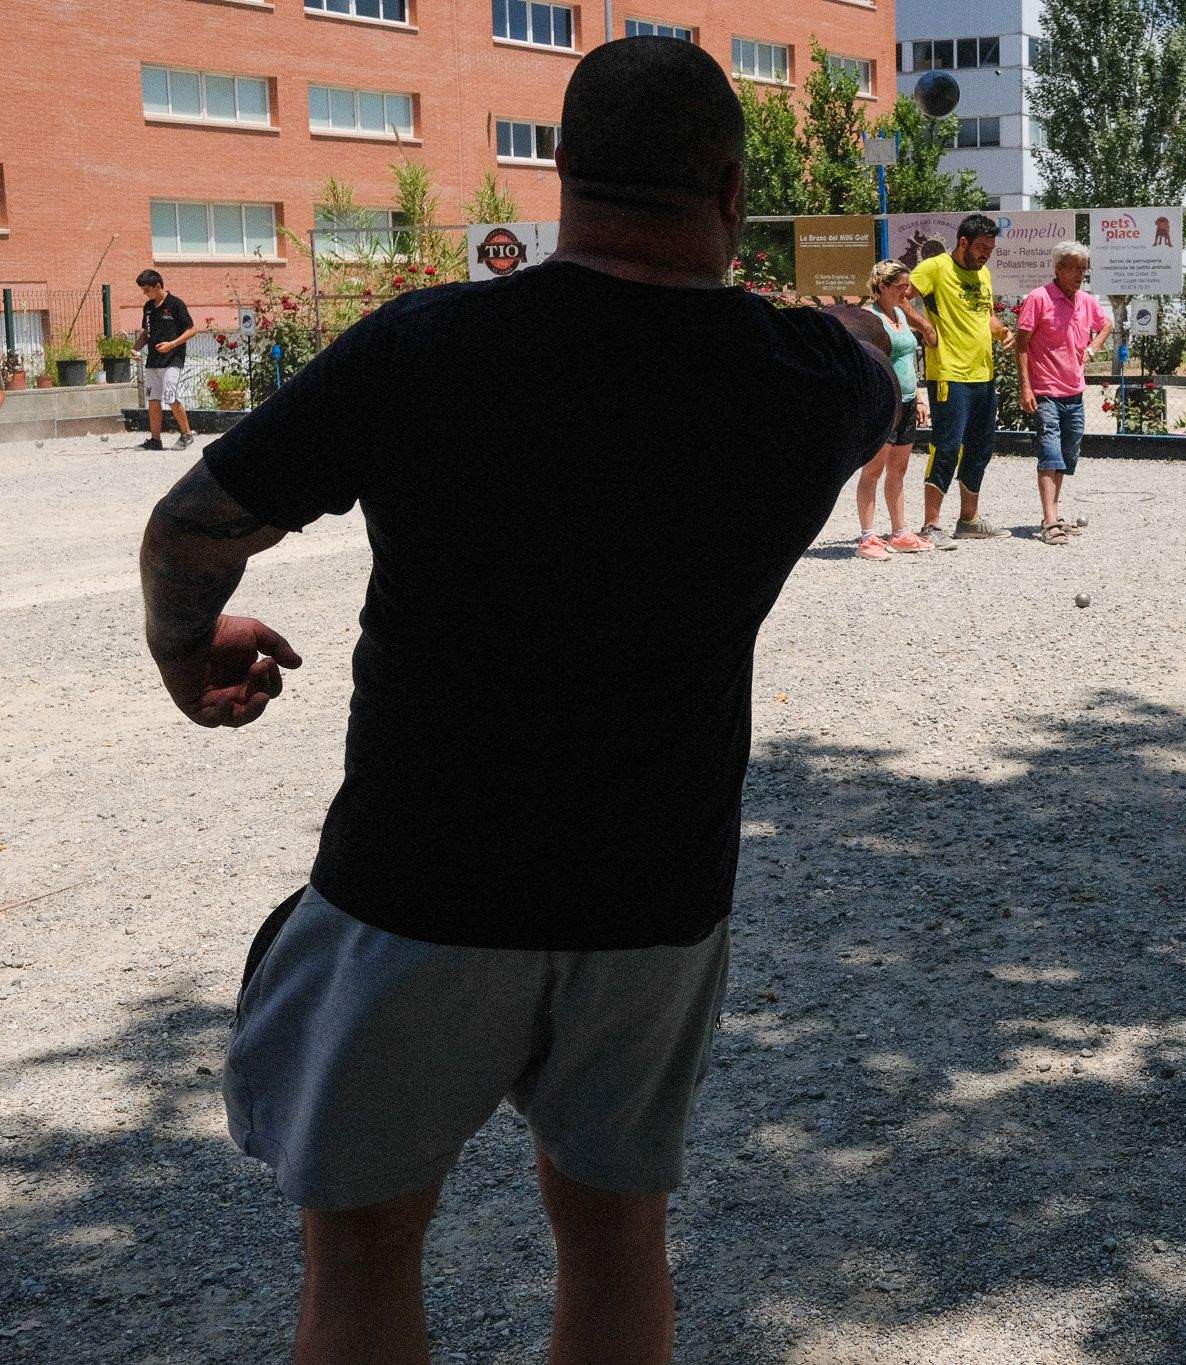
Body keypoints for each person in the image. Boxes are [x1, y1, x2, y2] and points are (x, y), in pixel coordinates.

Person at [135, 36, 897, 1363]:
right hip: (654, 903)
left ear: (565, 179)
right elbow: (872, 340)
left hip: (417, 885)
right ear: (727, 188)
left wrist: (186, 657)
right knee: (616, 1232)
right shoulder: (814, 389)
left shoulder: (422, 347)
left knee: (365, 1249)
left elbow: (190, 529)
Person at [909, 215, 1010, 545]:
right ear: (963, 242)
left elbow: (987, 316)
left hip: (984, 375)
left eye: (991, 249)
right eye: (981, 248)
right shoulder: (935, 268)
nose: (986, 255)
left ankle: (968, 520)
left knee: (981, 448)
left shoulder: (984, 274)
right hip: (949, 375)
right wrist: (925, 327)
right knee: (947, 448)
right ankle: (931, 525)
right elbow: (897, 296)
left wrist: (1003, 332)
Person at [1014, 240, 1110, 544]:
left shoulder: (1086, 301)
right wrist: (1025, 386)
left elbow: (1107, 323)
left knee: (1067, 457)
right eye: (1074, 268)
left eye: (1083, 268)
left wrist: (1092, 349)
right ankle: (1050, 521)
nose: (1080, 274)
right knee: (1050, 454)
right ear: (1058, 269)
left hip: (1074, 393)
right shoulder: (1039, 298)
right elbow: (1021, 344)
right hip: (1046, 392)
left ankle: (1052, 515)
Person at [853, 259, 937, 559]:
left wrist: (919, 396)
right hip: (883, 403)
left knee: (899, 470)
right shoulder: (868, 319)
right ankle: (867, 537)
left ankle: (900, 532)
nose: (908, 291)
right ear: (882, 287)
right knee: (873, 470)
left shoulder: (902, 314)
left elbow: (909, 361)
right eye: (901, 286)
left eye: (908, 286)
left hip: (907, 400)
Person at [136, 269, 197, 450]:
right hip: (153, 361)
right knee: (153, 400)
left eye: (147, 289)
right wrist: (135, 348)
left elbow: (192, 330)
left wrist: (172, 344)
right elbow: (146, 334)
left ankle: (187, 434)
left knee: (170, 396)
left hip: (173, 359)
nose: (145, 294)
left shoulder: (176, 304)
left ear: (158, 286)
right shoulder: (147, 307)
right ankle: (155, 440)